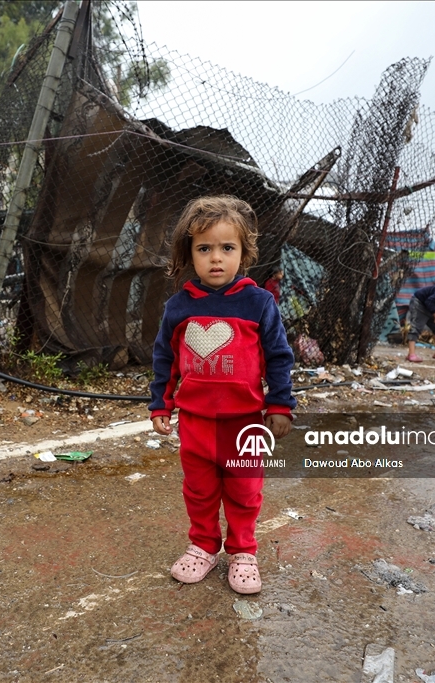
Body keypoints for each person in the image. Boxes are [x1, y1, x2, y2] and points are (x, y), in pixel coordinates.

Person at [149, 196, 295, 595]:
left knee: (244, 490)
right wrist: (160, 403)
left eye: (227, 248)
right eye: (204, 249)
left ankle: (243, 551)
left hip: (243, 423)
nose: (216, 258)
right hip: (194, 424)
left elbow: (279, 356)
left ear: (244, 253)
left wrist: (280, 404)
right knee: (198, 490)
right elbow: (166, 359)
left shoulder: (259, 303)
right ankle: (203, 545)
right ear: (189, 254)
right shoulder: (178, 308)